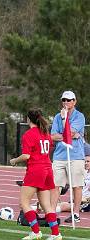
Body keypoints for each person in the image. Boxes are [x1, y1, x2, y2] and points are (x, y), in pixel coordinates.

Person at [10, 108, 62, 240]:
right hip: (47, 169)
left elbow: (27, 156)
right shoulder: (45, 132)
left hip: (36, 170)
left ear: (28, 119)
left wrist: (15, 160)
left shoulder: (28, 134)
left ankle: (36, 232)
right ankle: (56, 234)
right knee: (47, 205)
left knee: (24, 202)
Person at [50, 90, 86, 223]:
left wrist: (65, 121)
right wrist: (67, 135)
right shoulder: (56, 117)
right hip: (59, 156)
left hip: (75, 155)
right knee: (55, 185)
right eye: (64, 100)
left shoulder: (79, 116)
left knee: (76, 185)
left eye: (69, 100)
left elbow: (70, 133)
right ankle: (51, 213)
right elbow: (53, 136)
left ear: (74, 101)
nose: (66, 102)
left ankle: (75, 213)